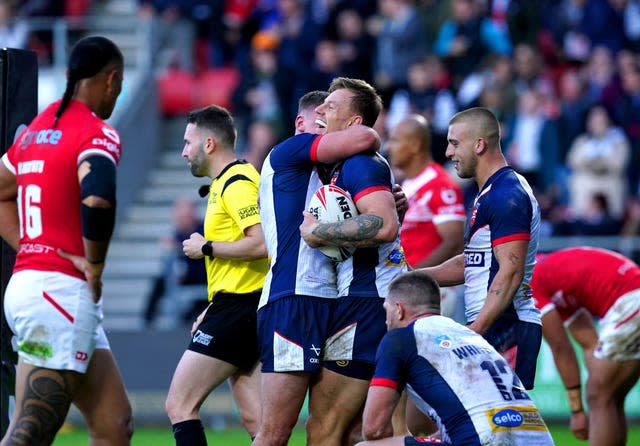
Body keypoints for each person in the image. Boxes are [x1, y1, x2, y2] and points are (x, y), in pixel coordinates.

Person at [0, 36, 132, 445]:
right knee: (31, 432)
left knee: (115, 424)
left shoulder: (36, 132)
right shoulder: (95, 132)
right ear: (111, 80)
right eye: (120, 83)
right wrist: (94, 266)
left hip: (35, 286)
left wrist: (30, 248)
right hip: (59, 294)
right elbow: (97, 196)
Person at [254, 82, 383, 446]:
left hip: (331, 299)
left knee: (337, 429)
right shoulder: (289, 151)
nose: (324, 120)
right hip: (293, 297)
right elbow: (365, 137)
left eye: (331, 111)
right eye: (319, 115)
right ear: (300, 125)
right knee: (275, 432)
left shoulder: (331, 174)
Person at [299, 77, 407, 445]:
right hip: (376, 298)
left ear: (354, 123)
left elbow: (384, 225)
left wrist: (319, 233)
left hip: (366, 301)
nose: (321, 111)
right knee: (362, 432)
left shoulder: (360, 163)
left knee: (324, 428)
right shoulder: (348, 167)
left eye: (331, 106)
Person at [164, 105, 269, 445]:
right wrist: (213, 305)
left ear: (209, 144)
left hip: (240, 309)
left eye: (187, 142)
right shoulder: (228, 181)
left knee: (180, 404)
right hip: (239, 305)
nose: (183, 151)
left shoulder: (237, 183)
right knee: (258, 423)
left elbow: (262, 244)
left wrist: (206, 246)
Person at [418, 107, 542, 391]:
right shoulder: (489, 193)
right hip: (495, 323)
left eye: (454, 143)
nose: (449, 153)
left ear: (479, 144)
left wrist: (476, 332)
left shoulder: (506, 195)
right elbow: (476, 263)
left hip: (506, 324)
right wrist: (414, 276)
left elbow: (510, 271)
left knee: (503, 427)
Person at [357, 271, 554, 446]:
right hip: (538, 438)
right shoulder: (470, 336)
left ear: (399, 309)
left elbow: (374, 428)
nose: (385, 319)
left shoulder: (400, 338)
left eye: (387, 311)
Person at [531, 247, 640, 446]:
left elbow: (561, 348)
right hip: (631, 298)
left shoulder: (530, 280)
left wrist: (577, 411)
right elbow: (590, 344)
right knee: (611, 395)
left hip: (629, 302)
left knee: (598, 395)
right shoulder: (553, 277)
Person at [386, 114, 465, 269]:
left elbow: (455, 242)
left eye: (395, 140)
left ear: (415, 145)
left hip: (431, 288)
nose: (388, 146)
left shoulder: (441, 185)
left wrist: (415, 274)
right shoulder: (407, 183)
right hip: (405, 284)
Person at [144, 198, 208, 327]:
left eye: (185, 216)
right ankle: (147, 321)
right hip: (183, 277)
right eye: (179, 216)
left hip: (203, 276)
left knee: (195, 309)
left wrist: (176, 246)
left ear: (193, 214)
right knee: (159, 281)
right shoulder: (178, 233)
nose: (181, 219)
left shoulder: (203, 229)